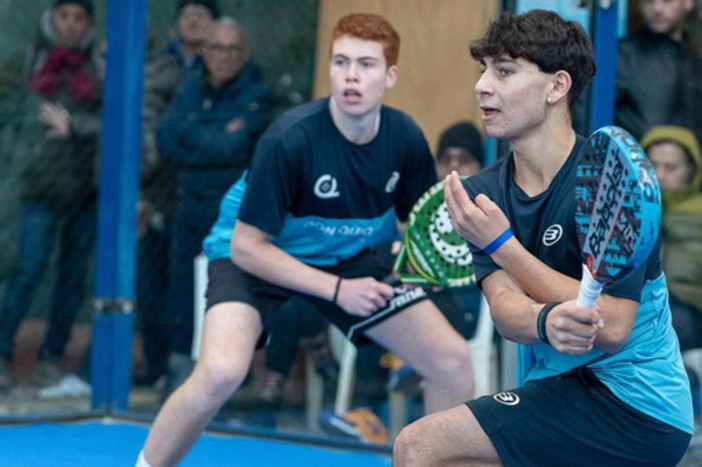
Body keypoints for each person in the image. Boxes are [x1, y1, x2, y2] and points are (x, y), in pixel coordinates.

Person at [135, 13, 473, 466]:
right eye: (341, 62)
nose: (352, 75)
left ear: (390, 75)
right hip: (258, 257)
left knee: (452, 361)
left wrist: (412, 264)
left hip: (349, 258)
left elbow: (414, 228)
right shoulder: (290, 139)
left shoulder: (405, 139)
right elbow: (246, 247)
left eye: (367, 65)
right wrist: (338, 290)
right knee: (219, 372)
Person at [394, 9, 693, 466]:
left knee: (421, 447)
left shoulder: (613, 183)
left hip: (635, 403)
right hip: (557, 391)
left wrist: (502, 246)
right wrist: (543, 321)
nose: (482, 86)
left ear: (557, 86)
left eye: (505, 71)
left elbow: (610, 327)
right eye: (484, 70)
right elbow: (505, 309)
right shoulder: (483, 194)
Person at [154, 15, 272, 397]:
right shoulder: (188, 88)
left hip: (236, 214)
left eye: (232, 48)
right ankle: (178, 370)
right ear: (204, 51)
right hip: (189, 206)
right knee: (181, 289)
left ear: (246, 53)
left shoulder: (257, 92)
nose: (224, 56)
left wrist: (197, 137)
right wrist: (214, 138)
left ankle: (234, 377)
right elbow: (166, 140)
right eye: (216, 48)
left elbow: (233, 149)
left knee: (232, 290)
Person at [0, 0, 101, 391]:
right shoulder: (26, 62)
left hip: (84, 192)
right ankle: (3, 354)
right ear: (51, 19)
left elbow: (119, 119)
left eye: (80, 18)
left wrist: (75, 126)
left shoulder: (100, 65)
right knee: (27, 272)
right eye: (65, 16)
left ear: (88, 24)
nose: (72, 25)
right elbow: (8, 114)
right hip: (36, 188)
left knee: (72, 281)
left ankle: (53, 359)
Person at [134, 0, 220, 387]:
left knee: (192, 284)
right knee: (154, 286)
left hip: (204, 196)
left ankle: (192, 369)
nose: (194, 21)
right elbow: (156, 129)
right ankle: (156, 367)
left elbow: (225, 141)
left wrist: (193, 143)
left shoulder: (223, 71)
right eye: (188, 15)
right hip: (157, 189)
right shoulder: (159, 64)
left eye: (203, 15)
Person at [640, 125, 702, 353]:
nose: (660, 175)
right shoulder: (629, 207)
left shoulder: (697, 213)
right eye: (652, 165)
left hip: (687, 307)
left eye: (671, 167)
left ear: (691, 170)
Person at [616, 0, 702, 141]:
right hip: (639, 160)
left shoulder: (695, 57)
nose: (657, 8)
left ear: (688, 2)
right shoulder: (624, 55)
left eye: (667, 1)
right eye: (649, 1)